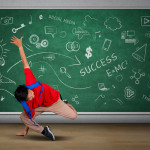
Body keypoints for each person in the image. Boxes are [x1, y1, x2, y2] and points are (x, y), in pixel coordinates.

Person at [10, 36, 77, 141]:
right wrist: (25, 130)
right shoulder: (26, 104)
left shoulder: (31, 82)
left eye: (30, 93)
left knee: (73, 116)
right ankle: (44, 131)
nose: (32, 96)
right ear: (25, 100)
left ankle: (64, 103)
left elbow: (25, 63)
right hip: (40, 106)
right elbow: (30, 116)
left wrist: (20, 46)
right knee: (23, 117)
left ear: (28, 88)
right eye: (29, 98)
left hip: (53, 101)